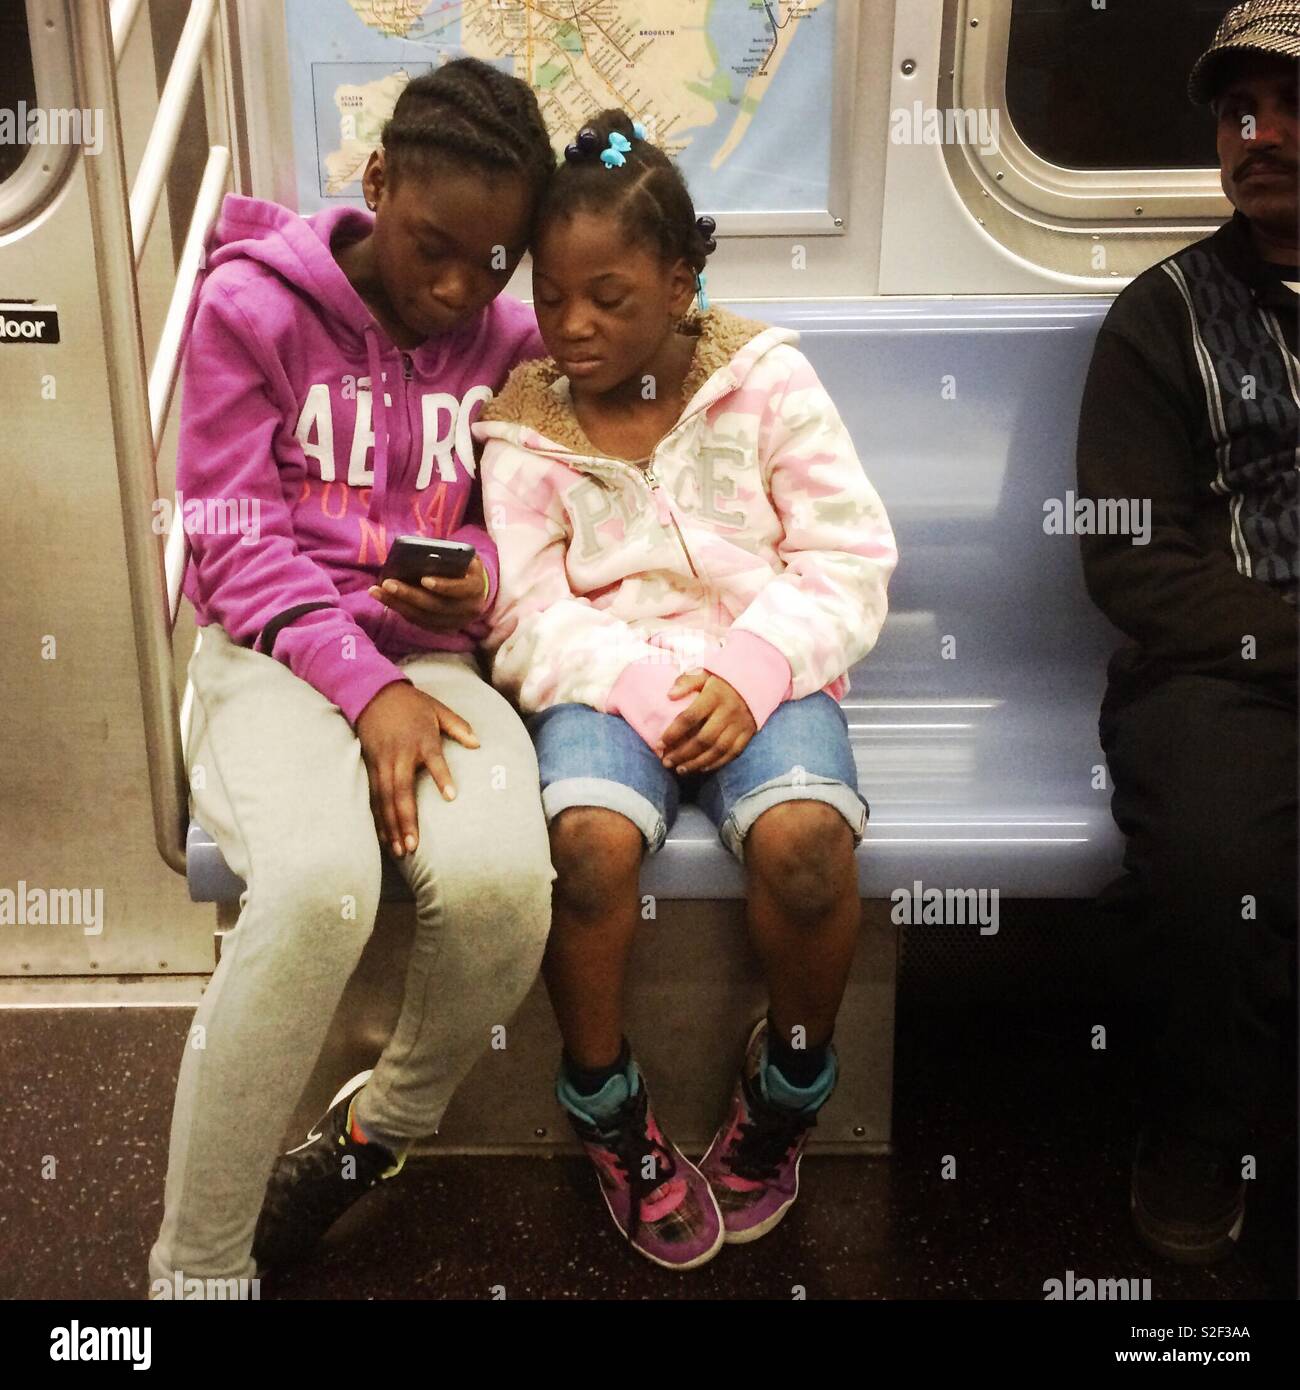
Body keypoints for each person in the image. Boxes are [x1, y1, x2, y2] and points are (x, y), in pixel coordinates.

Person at [148, 59, 557, 1293]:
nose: (456, 289)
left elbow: (530, 522)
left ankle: (377, 1130)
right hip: (268, 650)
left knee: (499, 887)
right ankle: (199, 1266)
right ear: (376, 182)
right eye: (433, 246)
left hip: (428, 656)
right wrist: (361, 685)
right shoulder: (249, 307)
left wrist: (475, 579)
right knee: (320, 887)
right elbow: (229, 537)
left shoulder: (513, 342)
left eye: (493, 263)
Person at [474, 112, 898, 1270]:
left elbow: (847, 557)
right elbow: (522, 611)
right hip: (608, 683)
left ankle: (789, 1087)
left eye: (609, 297)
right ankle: (607, 1102)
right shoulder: (524, 424)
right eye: (552, 297)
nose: (573, 327)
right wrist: (646, 684)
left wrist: (752, 670)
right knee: (589, 850)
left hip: (770, 661)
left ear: (680, 281)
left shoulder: (766, 380)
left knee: (808, 846)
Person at [1076, 1, 1298, 1273]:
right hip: (1221, 673)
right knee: (1219, 870)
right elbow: (1129, 558)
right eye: (1236, 110)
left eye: (1286, 104)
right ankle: (1198, 1135)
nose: (1258, 132)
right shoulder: (1162, 319)